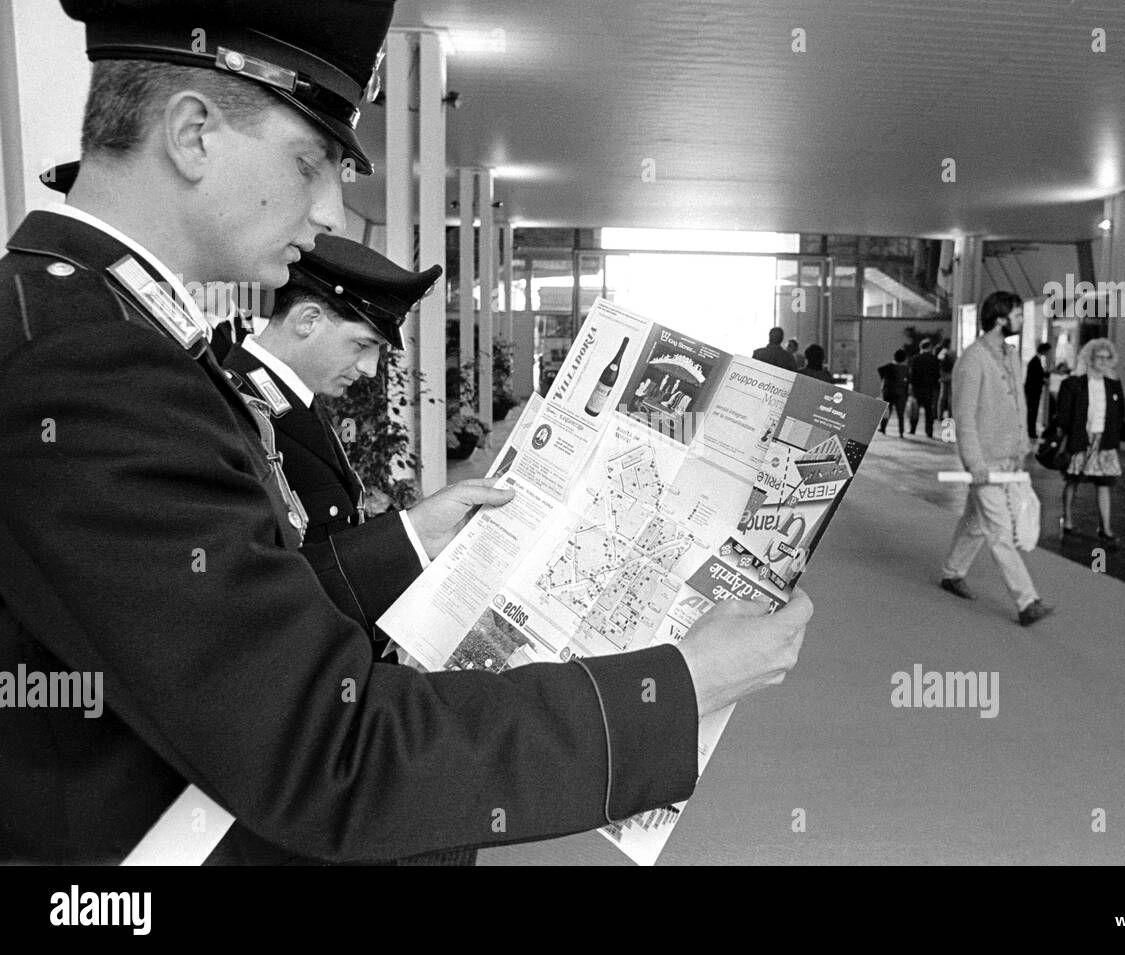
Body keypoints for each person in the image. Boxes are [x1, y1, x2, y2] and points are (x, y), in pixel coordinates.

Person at [0, 0, 813, 865]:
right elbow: (325, 748)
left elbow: (214, 613)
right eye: (312, 162)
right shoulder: (87, 362)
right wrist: (679, 687)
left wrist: (414, 539)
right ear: (193, 133)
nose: (329, 213)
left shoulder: (91, 321)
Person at [225, 234, 442, 544]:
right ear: (308, 320)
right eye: (362, 344)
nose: (370, 368)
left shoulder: (294, 397)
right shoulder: (233, 412)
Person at [939, 291, 1053, 626]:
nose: (1021, 320)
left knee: (975, 523)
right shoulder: (973, 360)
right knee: (1000, 530)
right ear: (1000, 318)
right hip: (985, 463)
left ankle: (951, 572)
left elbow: (1020, 407)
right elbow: (964, 416)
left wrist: (1022, 448)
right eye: (1017, 314)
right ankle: (1027, 601)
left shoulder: (1012, 355)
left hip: (1008, 460)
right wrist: (975, 465)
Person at [1055, 338, 1125, 544]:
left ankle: (1106, 527)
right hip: (1080, 440)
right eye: (1099, 357)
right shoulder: (1073, 383)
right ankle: (1067, 519)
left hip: (1104, 440)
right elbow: (1064, 414)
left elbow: (1120, 412)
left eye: (1107, 358)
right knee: (1072, 480)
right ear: (1089, 358)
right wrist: (1073, 435)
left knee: (1104, 484)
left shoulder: (1113, 385)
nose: (1103, 362)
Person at [907, 338, 942, 438]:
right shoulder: (934, 359)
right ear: (929, 347)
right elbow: (937, 374)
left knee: (915, 409)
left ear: (920, 347)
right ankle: (929, 431)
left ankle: (912, 429)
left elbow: (912, 374)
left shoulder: (915, 358)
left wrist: (912, 386)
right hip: (930, 388)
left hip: (917, 388)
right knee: (929, 410)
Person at [876, 348, 911, 437]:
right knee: (900, 413)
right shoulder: (905, 369)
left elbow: (880, 370)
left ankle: (883, 428)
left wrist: (883, 380)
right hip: (900, 393)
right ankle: (901, 431)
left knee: (887, 411)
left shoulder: (889, 366)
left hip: (888, 392)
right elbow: (908, 381)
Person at [1024, 342, 1051, 438]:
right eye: (1047, 351)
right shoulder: (1035, 361)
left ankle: (1031, 431)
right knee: (1032, 412)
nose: (1048, 353)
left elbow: (1038, 375)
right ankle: (1031, 432)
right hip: (1033, 392)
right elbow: (1035, 378)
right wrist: (1044, 381)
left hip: (1033, 391)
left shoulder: (1036, 361)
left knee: (1032, 412)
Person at [937, 338, 954, 419]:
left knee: (942, 396)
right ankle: (950, 415)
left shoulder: (940, 353)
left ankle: (939, 415)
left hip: (943, 377)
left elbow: (938, 363)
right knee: (950, 396)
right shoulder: (952, 353)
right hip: (951, 376)